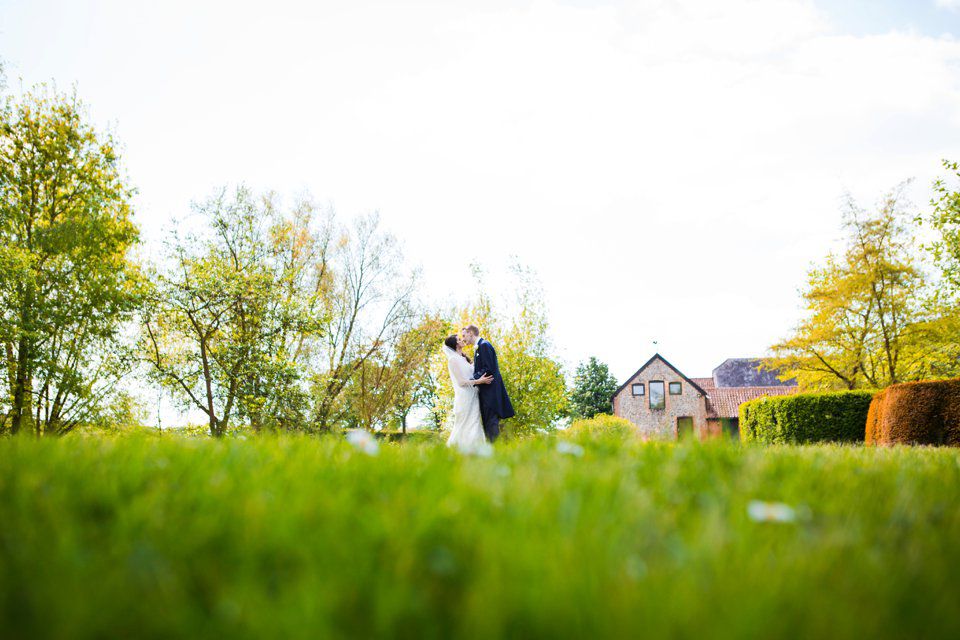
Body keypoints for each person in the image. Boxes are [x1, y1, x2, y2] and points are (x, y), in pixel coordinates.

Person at [460, 325, 514, 442]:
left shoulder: (484, 345)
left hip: (491, 394)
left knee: (491, 425)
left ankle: (495, 453)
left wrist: (472, 379)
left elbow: (488, 368)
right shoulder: (479, 348)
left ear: (470, 333)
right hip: (485, 393)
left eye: (464, 335)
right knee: (488, 425)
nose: (463, 339)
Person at [442, 334, 492, 450]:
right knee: (463, 425)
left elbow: (473, 371)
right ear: (455, 345)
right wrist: (479, 381)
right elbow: (460, 382)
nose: (462, 340)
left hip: (473, 395)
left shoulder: (464, 359)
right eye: (459, 340)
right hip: (464, 397)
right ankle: (455, 451)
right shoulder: (453, 360)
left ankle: (476, 451)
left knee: (475, 423)